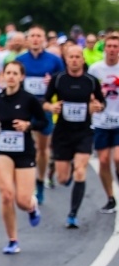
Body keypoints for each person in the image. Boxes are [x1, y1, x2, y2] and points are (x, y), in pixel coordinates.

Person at [0, 61, 46, 253]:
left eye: (15, 73)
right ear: (3, 76)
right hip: (2, 149)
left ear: (21, 77)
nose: (11, 76)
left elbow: (43, 122)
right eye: (8, 73)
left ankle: (32, 206)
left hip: (24, 150)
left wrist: (28, 126)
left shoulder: (29, 99)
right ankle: (12, 240)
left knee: (22, 201)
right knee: (6, 195)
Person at [43, 45, 105, 228]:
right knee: (63, 179)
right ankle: (67, 170)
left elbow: (101, 102)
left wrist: (98, 107)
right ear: (66, 59)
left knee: (80, 171)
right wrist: (51, 107)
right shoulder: (58, 79)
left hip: (84, 132)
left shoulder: (91, 81)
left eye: (78, 57)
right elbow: (44, 101)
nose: (75, 60)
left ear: (83, 60)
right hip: (63, 133)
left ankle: (72, 214)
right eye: (71, 57)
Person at [16, 25, 65, 205]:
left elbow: (63, 83)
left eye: (39, 36)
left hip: (44, 108)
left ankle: (40, 181)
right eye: (33, 36)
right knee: (26, 147)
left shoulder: (54, 60)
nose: (36, 39)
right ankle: (26, 182)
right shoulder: (20, 60)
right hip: (25, 108)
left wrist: (52, 82)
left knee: (42, 149)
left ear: (44, 39)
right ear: (28, 39)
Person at [88, 34, 119, 213]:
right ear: (104, 48)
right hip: (101, 121)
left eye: (116, 46)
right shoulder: (95, 69)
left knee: (118, 158)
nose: (112, 49)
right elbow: (88, 92)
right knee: (104, 160)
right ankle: (110, 198)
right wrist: (94, 102)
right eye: (110, 46)